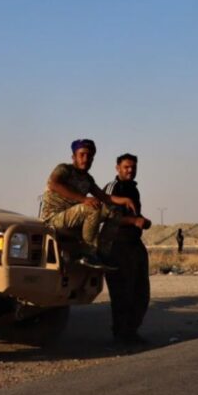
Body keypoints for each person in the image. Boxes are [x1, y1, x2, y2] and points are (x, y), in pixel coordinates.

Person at [40, 139, 137, 269]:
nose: (86, 159)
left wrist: (125, 200)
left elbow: (104, 197)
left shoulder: (87, 179)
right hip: (53, 218)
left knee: (113, 210)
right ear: (74, 157)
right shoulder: (64, 170)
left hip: (73, 218)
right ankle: (87, 253)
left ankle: (102, 253)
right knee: (92, 207)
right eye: (82, 155)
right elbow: (54, 183)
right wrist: (83, 199)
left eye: (90, 156)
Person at [98, 154, 152, 344]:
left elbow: (134, 215)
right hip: (116, 246)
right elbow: (104, 216)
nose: (130, 170)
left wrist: (142, 220)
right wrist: (134, 221)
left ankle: (131, 331)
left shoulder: (133, 190)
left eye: (133, 167)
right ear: (117, 168)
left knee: (141, 292)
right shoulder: (113, 188)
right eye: (127, 167)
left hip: (133, 244)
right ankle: (121, 334)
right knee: (122, 293)